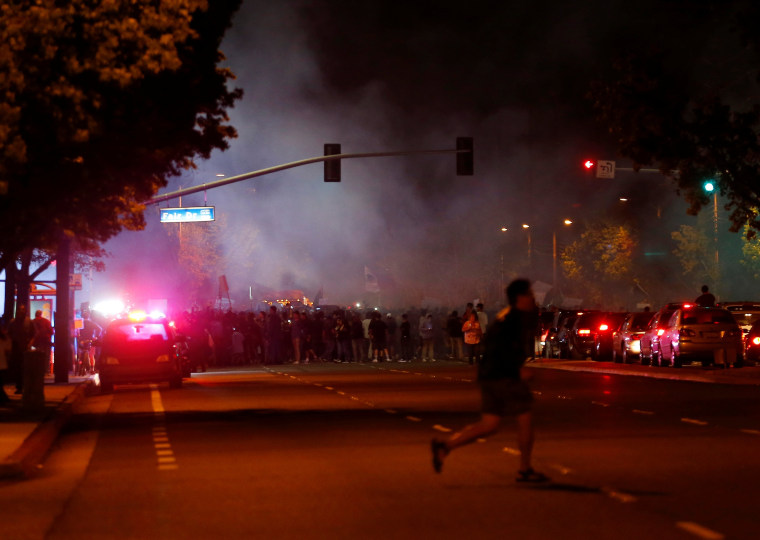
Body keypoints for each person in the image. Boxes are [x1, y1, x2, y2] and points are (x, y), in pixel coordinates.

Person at [431, 279, 548, 483]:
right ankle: (525, 468)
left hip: (489, 375)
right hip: (505, 376)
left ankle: (446, 447)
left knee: (489, 424)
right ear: (520, 297)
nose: (533, 298)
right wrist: (517, 371)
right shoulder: (514, 320)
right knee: (525, 418)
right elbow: (502, 349)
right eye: (530, 294)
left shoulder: (506, 316)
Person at [8, 304, 33, 394]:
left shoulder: (29, 321)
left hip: (25, 348)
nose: (21, 311)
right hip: (15, 348)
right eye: (19, 309)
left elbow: (34, 334)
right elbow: (9, 334)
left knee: (25, 368)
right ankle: (19, 387)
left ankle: (25, 386)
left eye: (23, 309)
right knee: (17, 368)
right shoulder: (13, 322)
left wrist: (30, 343)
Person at [0, 323, 11, 404]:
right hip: (2, 363)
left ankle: (3, 398)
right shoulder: (5, 338)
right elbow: (8, 350)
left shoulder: (5, 338)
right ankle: (3, 398)